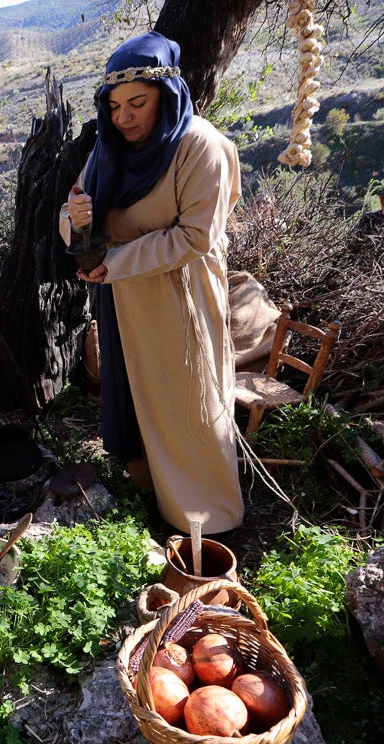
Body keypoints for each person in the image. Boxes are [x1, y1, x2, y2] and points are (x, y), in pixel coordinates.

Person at [60, 31, 243, 536]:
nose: (123, 117)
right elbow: (77, 211)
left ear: (169, 94)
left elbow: (196, 235)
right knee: (135, 394)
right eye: (115, 105)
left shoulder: (200, 146)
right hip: (122, 298)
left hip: (178, 295)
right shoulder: (107, 150)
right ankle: (152, 491)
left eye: (137, 102)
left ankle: (208, 518)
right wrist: (75, 219)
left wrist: (112, 262)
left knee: (187, 402)